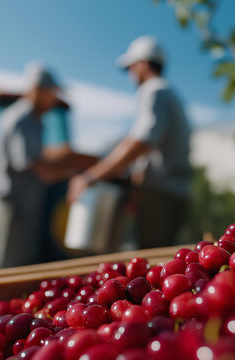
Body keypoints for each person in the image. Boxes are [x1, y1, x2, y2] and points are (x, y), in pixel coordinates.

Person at [67, 36, 191, 249]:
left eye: (131, 67)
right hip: (173, 192)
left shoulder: (154, 90)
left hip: (160, 194)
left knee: (153, 263)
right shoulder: (170, 94)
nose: (130, 74)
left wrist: (90, 176)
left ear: (143, 63)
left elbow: (141, 140)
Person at [0, 63, 94, 268]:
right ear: (37, 90)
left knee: (21, 264)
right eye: (52, 93)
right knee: (6, 267)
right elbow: (34, 166)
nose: (54, 99)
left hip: (23, 206)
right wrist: (78, 175)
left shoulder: (34, 121)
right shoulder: (21, 119)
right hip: (13, 205)